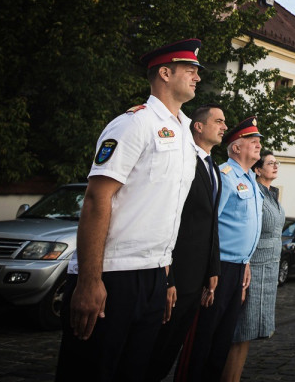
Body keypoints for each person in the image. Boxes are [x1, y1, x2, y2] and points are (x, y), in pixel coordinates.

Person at [56, 39, 202, 382]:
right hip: (113, 274)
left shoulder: (184, 131)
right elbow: (96, 198)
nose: (197, 77)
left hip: (153, 274)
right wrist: (90, 281)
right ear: (165, 73)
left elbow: (166, 210)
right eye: (190, 70)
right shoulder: (133, 124)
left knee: (134, 372)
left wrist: (165, 277)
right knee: (92, 370)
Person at [176, 117, 264, 381]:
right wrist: (211, 269)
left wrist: (246, 262)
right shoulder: (225, 176)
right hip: (219, 268)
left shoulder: (250, 179)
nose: (259, 146)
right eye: (253, 141)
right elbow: (209, 224)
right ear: (236, 148)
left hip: (238, 269)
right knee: (202, 338)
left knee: (222, 341)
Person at [146, 104, 226, 381]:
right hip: (176, 274)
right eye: (218, 121)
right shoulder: (185, 160)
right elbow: (171, 218)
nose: (224, 127)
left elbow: (211, 223)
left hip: (198, 277)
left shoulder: (212, 167)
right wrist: (169, 278)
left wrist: (213, 268)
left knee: (172, 347)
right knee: (155, 348)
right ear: (198, 126)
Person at [221, 150, 286, 381]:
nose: (275, 166)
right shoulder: (253, 191)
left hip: (270, 268)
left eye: (276, 163)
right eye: (270, 163)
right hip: (254, 265)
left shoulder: (271, 193)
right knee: (241, 330)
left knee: (249, 332)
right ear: (258, 169)